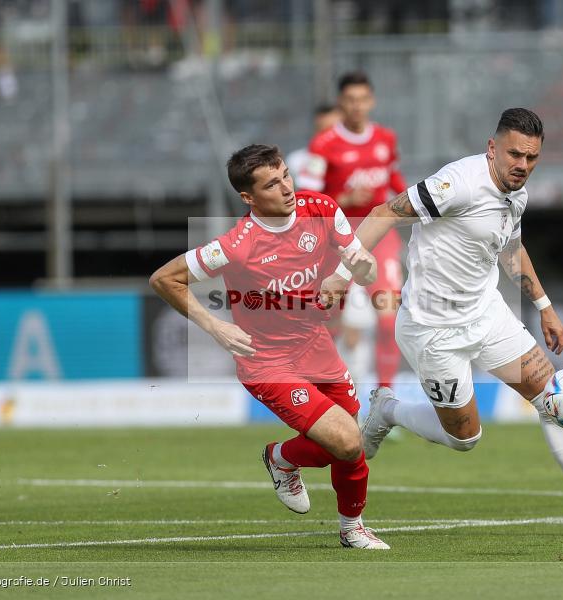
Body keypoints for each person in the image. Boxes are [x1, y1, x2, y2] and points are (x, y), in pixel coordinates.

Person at [321, 108, 563, 537]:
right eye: (515, 154)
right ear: (492, 148)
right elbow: (385, 213)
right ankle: (388, 410)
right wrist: (342, 274)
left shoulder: (518, 193)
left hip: (487, 314)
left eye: (532, 158)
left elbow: (511, 250)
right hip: (433, 329)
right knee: (465, 438)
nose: (523, 165)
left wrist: (544, 304)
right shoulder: (455, 184)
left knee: (552, 397)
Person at [150, 144, 390, 550]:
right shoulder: (237, 244)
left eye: (285, 175)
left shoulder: (322, 207)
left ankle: (285, 461)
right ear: (248, 197)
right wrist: (215, 327)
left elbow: (356, 259)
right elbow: (163, 279)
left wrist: (349, 274)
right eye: (272, 183)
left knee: (352, 442)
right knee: (347, 441)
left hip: (315, 345)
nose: (286, 187)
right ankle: (351, 529)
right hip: (267, 361)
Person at [299, 71, 406, 390]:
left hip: (380, 232)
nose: (357, 106)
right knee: (329, 321)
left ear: (371, 101)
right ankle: (328, 395)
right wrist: (342, 199)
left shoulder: (385, 139)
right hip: (338, 236)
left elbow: (395, 182)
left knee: (389, 320)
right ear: (341, 103)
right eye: (350, 100)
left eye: (362, 99)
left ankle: (385, 396)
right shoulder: (323, 144)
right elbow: (306, 198)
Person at [286, 104, 341, 187]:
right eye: (324, 131)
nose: (327, 137)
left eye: (332, 132)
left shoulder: (355, 160)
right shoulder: (295, 161)